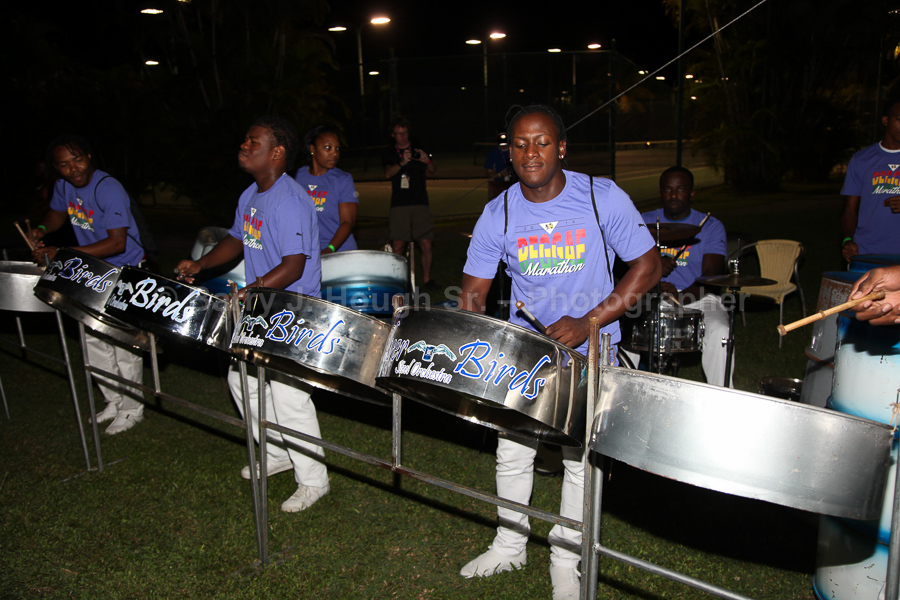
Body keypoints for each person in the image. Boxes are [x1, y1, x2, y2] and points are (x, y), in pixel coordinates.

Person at [457, 104, 661, 599]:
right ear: (509, 151)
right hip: (526, 352)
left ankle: (566, 558)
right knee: (513, 451)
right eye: (520, 143)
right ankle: (510, 544)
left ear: (562, 147)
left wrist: (589, 321)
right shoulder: (499, 212)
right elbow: (472, 294)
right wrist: (477, 344)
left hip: (591, 349)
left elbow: (648, 267)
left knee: (579, 460)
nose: (531, 153)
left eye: (542, 142)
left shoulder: (600, 197)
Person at [175, 116, 329, 513]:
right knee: (242, 381)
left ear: (276, 152)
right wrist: (202, 264)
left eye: (252, 141)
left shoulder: (290, 199)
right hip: (262, 307)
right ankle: (276, 453)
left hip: (293, 309)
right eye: (245, 140)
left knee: (290, 397)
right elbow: (237, 238)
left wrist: (250, 289)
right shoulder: (251, 195)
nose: (243, 146)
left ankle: (314, 480)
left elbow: (294, 265)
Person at [31, 134, 146, 435]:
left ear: (89, 157)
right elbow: (57, 213)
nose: (73, 169)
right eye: (64, 165)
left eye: (78, 160)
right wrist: (42, 228)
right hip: (90, 269)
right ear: (56, 168)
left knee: (122, 341)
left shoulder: (108, 188)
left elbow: (117, 243)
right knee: (93, 337)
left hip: (124, 270)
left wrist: (63, 252)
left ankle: (132, 408)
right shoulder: (63, 185)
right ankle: (114, 400)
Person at [623, 165, 734, 387]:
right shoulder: (642, 221)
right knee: (625, 328)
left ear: (691, 193)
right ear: (660, 193)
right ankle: (620, 390)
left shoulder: (710, 226)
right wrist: (654, 266)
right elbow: (624, 265)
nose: (673, 195)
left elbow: (711, 276)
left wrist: (680, 297)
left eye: (681, 189)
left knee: (721, 331)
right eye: (668, 190)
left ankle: (722, 395)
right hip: (649, 294)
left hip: (698, 297)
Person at [840, 94, 900, 262]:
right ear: (885, 120)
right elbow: (850, 210)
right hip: (866, 253)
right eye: (899, 119)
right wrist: (847, 240)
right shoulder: (861, 160)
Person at [382, 116, 439, 290]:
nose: (403, 137)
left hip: (421, 202)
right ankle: (398, 280)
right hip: (399, 204)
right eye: (399, 134)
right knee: (398, 245)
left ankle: (427, 280)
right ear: (393, 135)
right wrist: (402, 163)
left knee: (426, 243)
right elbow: (387, 173)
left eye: (405, 133)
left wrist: (427, 161)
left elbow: (434, 170)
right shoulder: (390, 152)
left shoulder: (418, 149)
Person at [295, 125, 358, 254]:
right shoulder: (297, 177)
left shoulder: (342, 180)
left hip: (339, 251)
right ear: (312, 149)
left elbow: (347, 222)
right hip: (307, 252)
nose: (334, 153)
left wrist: (329, 249)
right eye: (328, 147)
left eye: (337, 148)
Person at [485, 131, 513, 200]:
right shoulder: (492, 153)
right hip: (499, 185)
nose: (503, 147)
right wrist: (501, 174)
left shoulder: (515, 151)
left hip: (514, 183)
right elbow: (489, 173)